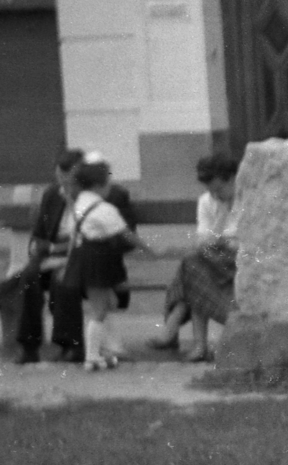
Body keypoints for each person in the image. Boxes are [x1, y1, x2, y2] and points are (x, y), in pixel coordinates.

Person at [149, 152, 239, 362]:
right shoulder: (207, 201)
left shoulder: (248, 199)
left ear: (234, 178)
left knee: (192, 264)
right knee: (195, 263)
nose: (215, 196)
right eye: (210, 191)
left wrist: (222, 239)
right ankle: (196, 344)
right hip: (213, 260)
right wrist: (222, 215)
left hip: (239, 261)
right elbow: (202, 239)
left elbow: (249, 240)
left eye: (219, 189)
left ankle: (181, 334)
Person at [60, 157, 145, 370]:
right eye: (108, 183)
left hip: (84, 258)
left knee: (109, 303)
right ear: (98, 185)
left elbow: (71, 230)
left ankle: (106, 349)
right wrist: (149, 249)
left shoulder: (79, 205)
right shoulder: (104, 209)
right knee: (99, 310)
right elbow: (125, 234)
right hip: (97, 260)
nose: (110, 187)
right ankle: (92, 356)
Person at [15, 146, 82, 363]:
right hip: (51, 255)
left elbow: (83, 237)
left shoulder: (88, 197)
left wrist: (73, 201)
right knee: (28, 277)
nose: (63, 182)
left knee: (60, 279)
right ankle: (29, 346)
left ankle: (69, 345)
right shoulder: (52, 194)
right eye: (59, 175)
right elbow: (40, 234)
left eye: (68, 177)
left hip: (78, 257)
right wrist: (43, 250)